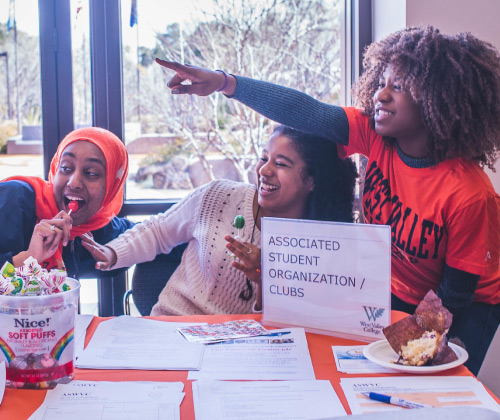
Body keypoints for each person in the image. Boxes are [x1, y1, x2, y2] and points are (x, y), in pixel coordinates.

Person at [155, 25, 500, 375]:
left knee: (436, 381)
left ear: (433, 99)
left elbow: (454, 296)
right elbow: (305, 111)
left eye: (397, 87)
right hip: (396, 284)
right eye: (382, 82)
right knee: (372, 373)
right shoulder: (375, 137)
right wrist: (225, 83)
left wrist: (417, 344)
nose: (380, 96)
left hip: (467, 303)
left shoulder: (468, 193)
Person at [83, 124, 357, 315]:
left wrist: (266, 277)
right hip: (172, 331)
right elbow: (158, 231)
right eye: (264, 158)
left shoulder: (319, 245)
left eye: (281, 164)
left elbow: (290, 328)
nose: (264, 170)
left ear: (312, 180)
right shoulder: (219, 195)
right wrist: (112, 252)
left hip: (242, 351)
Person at [0, 127, 134, 278]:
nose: (74, 182)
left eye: (91, 173)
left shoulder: (98, 228)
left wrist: (114, 253)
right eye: (66, 168)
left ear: (112, 187)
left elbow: (154, 235)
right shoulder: (12, 199)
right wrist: (27, 259)